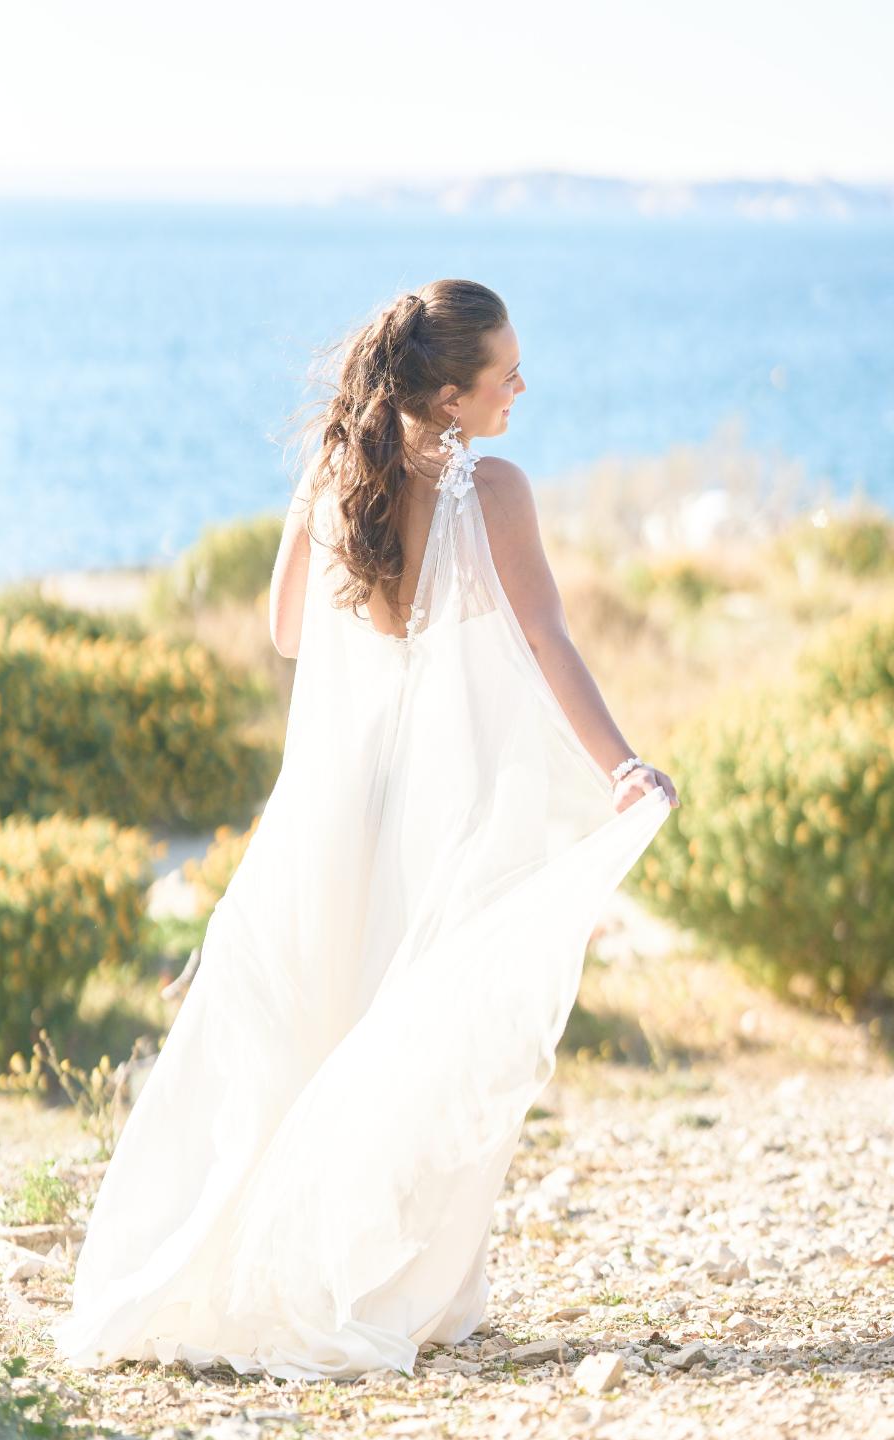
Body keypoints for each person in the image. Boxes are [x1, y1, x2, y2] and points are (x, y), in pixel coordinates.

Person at [50, 278, 677, 1382]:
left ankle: (223, 1266)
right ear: (448, 395)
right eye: (505, 374)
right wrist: (620, 764)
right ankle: (379, 1283)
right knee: (406, 1031)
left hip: (326, 796)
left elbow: (288, 632)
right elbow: (546, 642)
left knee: (305, 1024)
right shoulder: (499, 494)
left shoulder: (332, 477)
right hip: (436, 799)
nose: (522, 388)